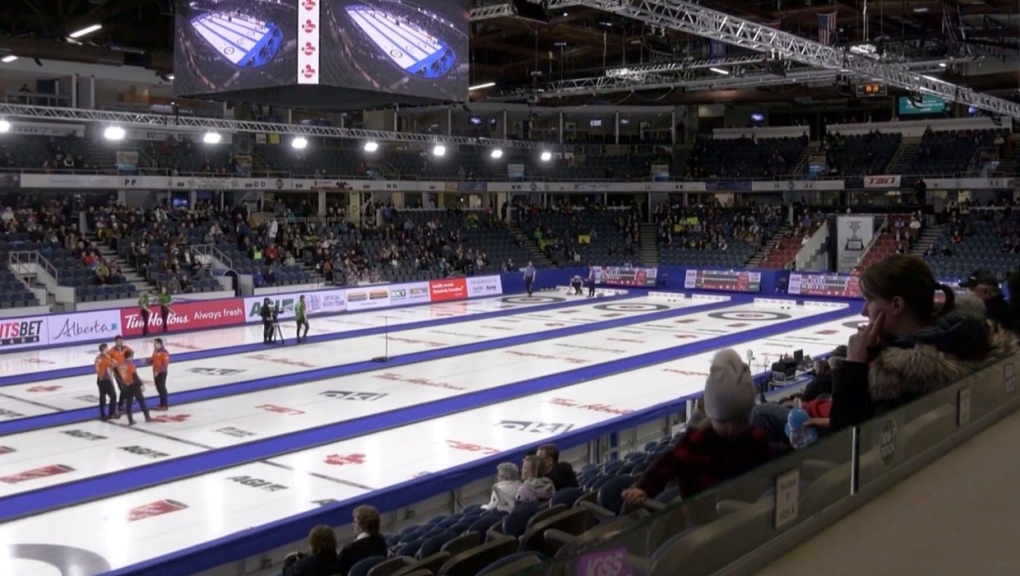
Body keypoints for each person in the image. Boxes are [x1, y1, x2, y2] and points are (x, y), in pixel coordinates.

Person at [830, 255, 1017, 430]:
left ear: (896, 305)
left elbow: (846, 444)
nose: (864, 312)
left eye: (869, 301)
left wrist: (853, 366)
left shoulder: (900, 376)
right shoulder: (969, 338)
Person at [623, 349, 779, 506]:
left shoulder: (755, 438)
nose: (731, 429)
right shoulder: (695, 442)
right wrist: (643, 488)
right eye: (724, 422)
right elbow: (667, 464)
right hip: (699, 519)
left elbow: (778, 460)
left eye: (738, 422)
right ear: (710, 416)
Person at [335, 505, 388, 576]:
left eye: (355, 522)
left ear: (362, 526)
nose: (353, 524)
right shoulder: (381, 540)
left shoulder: (349, 550)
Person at [116, 350, 152, 425]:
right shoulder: (130, 365)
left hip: (126, 385)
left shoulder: (120, 365)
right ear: (130, 357)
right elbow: (134, 375)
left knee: (129, 402)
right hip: (134, 385)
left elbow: (119, 375)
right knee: (141, 401)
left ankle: (130, 420)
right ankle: (147, 417)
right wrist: (141, 384)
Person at [108, 335, 134, 416]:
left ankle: (121, 404)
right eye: (118, 341)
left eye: (121, 340)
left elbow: (132, 352)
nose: (120, 342)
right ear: (115, 341)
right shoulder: (112, 350)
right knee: (122, 388)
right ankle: (122, 404)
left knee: (125, 386)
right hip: (117, 372)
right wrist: (112, 362)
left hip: (125, 370)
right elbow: (107, 358)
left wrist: (130, 359)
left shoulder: (126, 348)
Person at [94, 344, 117, 421]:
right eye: (107, 348)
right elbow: (110, 367)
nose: (108, 349)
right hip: (106, 379)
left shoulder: (97, 358)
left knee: (102, 397)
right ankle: (111, 413)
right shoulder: (106, 358)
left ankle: (102, 414)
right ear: (104, 349)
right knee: (113, 396)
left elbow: (96, 368)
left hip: (99, 379)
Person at [148, 338, 171, 410]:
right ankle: (161, 404)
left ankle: (164, 405)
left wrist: (159, 371)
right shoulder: (155, 351)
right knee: (158, 388)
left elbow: (165, 364)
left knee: (162, 388)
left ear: (159, 344)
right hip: (155, 371)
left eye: (155, 344)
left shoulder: (164, 352)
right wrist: (146, 361)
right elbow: (152, 360)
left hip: (162, 372)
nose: (154, 345)